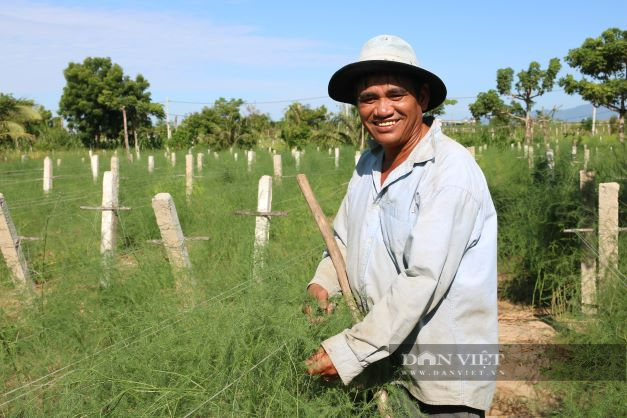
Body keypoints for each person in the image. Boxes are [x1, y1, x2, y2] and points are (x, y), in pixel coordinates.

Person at [304, 35, 498, 417]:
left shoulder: (449, 172)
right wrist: (321, 283)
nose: (381, 109)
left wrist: (349, 351)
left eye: (395, 94)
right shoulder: (368, 164)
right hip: (384, 367)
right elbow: (342, 238)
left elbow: (424, 277)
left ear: (422, 99)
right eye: (368, 98)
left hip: (442, 380)